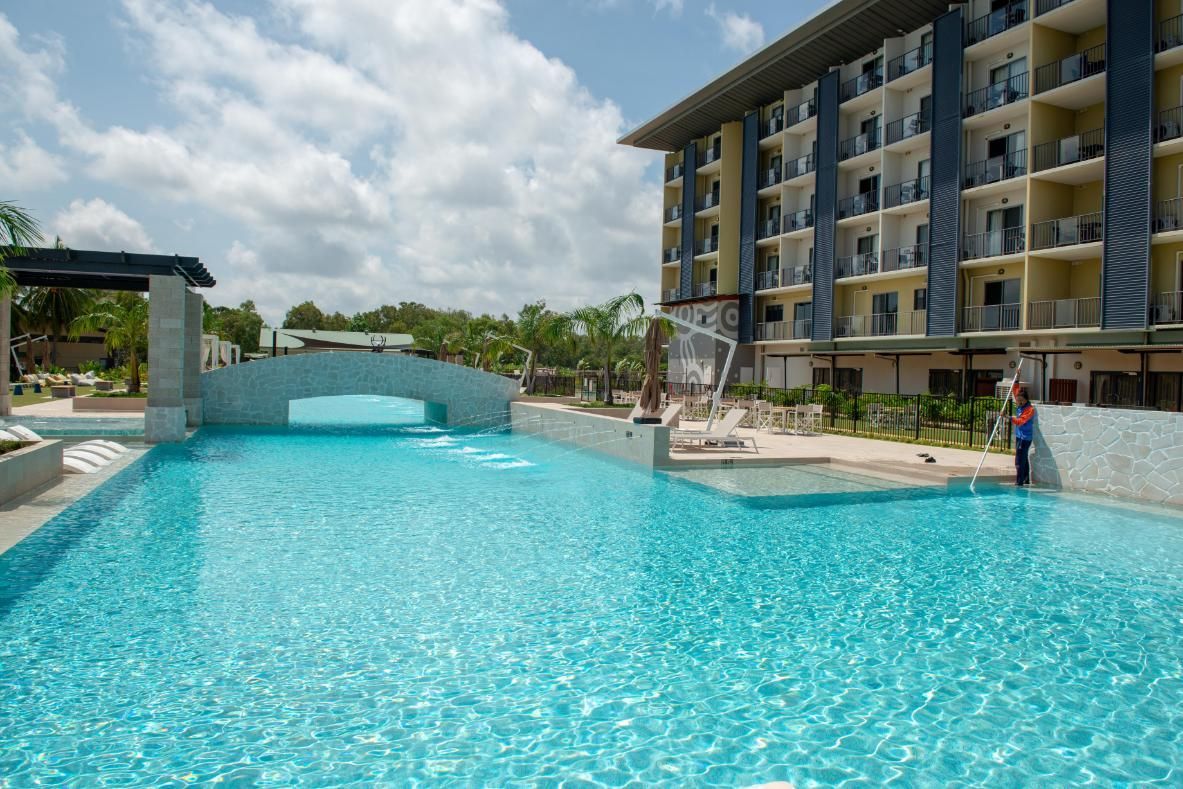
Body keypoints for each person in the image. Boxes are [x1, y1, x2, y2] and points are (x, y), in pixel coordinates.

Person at [1004, 388, 1037, 487]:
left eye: (1020, 400)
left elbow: (1020, 421)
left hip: (1025, 438)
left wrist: (1007, 417)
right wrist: (1017, 376)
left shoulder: (1029, 410)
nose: (1018, 402)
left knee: (1019, 460)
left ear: (1026, 399)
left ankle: (1019, 482)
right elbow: (1015, 390)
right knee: (1024, 458)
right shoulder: (1020, 405)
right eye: (1017, 400)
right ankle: (1026, 479)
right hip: (1019, 436)